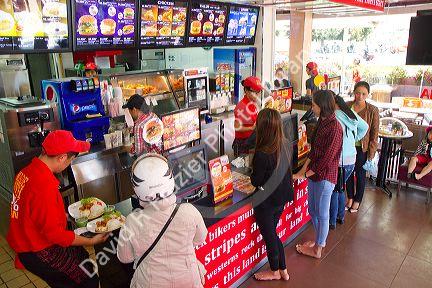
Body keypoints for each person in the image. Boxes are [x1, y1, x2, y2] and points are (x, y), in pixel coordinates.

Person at [6, 130, 109, 288]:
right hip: (38, 250)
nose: (69, 163)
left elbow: (31, 211)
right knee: (88, 280)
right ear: (61, 157)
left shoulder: (24, 172)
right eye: (70, 160)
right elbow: (56, 235)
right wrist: (91, 240)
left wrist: (63, 216)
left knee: (82, 257)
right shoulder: (44, 186)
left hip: (27, 240)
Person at [117, 153, 207, 288]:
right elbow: (200, 239)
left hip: (149, 282)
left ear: (137, 189)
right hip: (188, 280)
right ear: (170, 179)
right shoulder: (189, 211)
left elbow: (125, 257)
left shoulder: (132, 222)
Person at [293, 90, 343, 259]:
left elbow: (326, 160)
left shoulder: (335, 127)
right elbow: (314, 151)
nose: (311, 107)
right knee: (312, 210)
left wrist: (305, 175)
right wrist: (302, 172)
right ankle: (318, 240)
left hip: (325, 176)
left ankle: (318, 249)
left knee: (322, 213)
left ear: (322, 106)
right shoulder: (322, 121)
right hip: (314, 175)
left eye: (313, 105)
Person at [250, 108, 293, 281]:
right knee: (272, 234)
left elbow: (256, 181)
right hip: (281, 198)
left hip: (266, 202)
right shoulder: (286, 144)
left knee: (270, 236)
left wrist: (252, 174)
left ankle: (275, 271)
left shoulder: (262, 153)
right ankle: (283, 269)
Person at [329, 95, 369, 230]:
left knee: (335, 190)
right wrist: (354, 138)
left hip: (339, 159)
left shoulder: (333, 116)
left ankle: (332, 220)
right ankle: (340, 217)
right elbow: (365, 126)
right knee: (340, 188)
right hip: (351, 158)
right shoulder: (351, 114)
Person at [346, 81, 379, 213]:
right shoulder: (347, 106)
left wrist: (371, 154)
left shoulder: (372, 110)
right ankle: (349, 197)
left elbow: (374, 133)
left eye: (363, 94)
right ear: (354, 92)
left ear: (367, 95)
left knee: (360, 174)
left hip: (362, 149)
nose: (360, 96)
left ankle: (357, 200)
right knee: (347, 173)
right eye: (358, 93)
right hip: (348, 147)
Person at [233, 76, 262, 157]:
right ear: (246, 91)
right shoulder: (241, 106)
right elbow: (237, 127)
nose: (257, 95)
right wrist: (251, 128)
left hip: (252, 140)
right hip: (243, 143)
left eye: (259, 92)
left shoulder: (252, 103)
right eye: (255, 92)